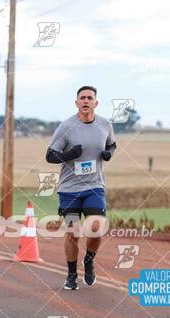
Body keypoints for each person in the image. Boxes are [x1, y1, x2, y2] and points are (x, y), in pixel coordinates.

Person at [46, 86, 116, 290]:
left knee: (96, 227)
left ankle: (89, 260)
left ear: (96, 102)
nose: (86, 101)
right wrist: (69, 155)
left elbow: (112, 144)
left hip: (94, 185)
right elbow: (50, 156)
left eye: (90, 98)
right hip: (69, 188)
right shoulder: (66, 127)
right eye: (82, 98)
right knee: (73, 232)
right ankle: (71, 274)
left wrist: (108, 154)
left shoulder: (104, 124)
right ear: (76, 102)